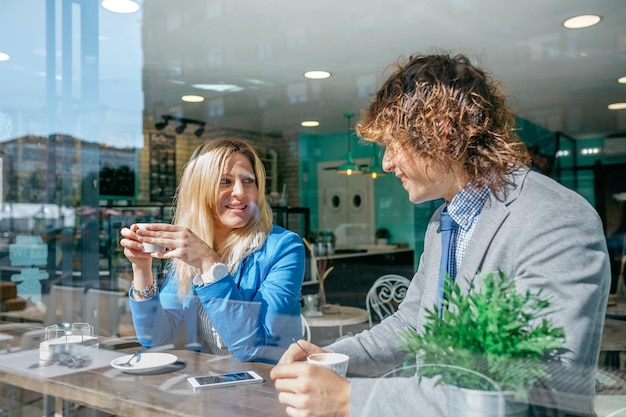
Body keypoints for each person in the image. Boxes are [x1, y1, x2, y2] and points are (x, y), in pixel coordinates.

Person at [271, 53, 610, 416]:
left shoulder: (556, 219)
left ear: (441, 129)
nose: (385, 163)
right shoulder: (442, 222)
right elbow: (412, 323)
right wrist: (333, 358)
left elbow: (535, 384)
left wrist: (350, 401)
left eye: (392, 144)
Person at [120, 138, 305, 364]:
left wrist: (209, 265)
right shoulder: (192, 249)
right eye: (225, 181)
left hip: (276, 388)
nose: (240, 192)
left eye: (249, 181)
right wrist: (141, 269)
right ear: (200, 190)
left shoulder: (284, 247)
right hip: (216, 389)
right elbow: (156, 338)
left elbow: (253, 348)